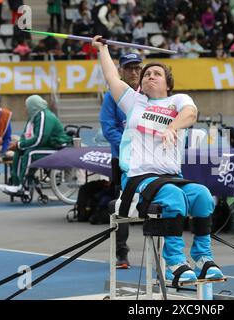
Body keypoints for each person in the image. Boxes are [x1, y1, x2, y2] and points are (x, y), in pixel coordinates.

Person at [92, 35, 224, 283]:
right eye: (147, 74)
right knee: (173, 197)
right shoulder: (134, 102)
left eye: (156, 73)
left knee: (203, 195)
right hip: (139, 178)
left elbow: (191, 113)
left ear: (168, 84)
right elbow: (111, 77)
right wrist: (102, 49)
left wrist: (172, 127)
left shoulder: (178, 100)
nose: (150, 76)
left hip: (171, 177)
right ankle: (175, 261)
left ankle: (202, 257)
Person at [99, 52, 143, 269]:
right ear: (121, 71)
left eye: (137, 68)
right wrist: (131, 145)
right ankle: (122, 253)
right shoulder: (112, 96)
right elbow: (108, 128)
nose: (134, 72)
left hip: (149, 161)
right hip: (123, 160)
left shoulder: (150, 93)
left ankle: (165, 252)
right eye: (129, 68)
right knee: (121, 206)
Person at [0, 95, 72, 194]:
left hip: (58, 147)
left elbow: (39, 139)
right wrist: (18, 145)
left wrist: (19, 145)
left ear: (33, 106)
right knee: (19, 151)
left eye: (26, 106)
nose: (25, 108)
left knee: (30, 153)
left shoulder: (44, 116)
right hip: (47, 145)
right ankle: (16, 184)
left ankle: (23, 186)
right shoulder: (33, 117)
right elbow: (26, 135)